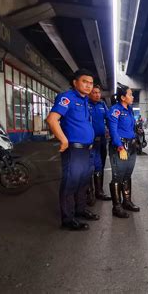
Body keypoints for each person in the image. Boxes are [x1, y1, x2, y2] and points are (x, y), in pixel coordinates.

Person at [46, 69, 100, 231]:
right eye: (84, 81)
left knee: (83, 182)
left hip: (87, 150)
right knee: (70, 183)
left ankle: (80, 210)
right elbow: (52, 119)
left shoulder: (85, 100)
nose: (88, 85)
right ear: (75, 82)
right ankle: (68, 219)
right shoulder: (67, 97)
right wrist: (63, 140)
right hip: (74, 150)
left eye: (90, 83)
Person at [107, 85, 140, 218]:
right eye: (130, 94)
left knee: (127, 175)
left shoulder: (130, 109)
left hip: (131, 146)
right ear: (122, 97)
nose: (132, 96)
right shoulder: (115, 110)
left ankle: (126, 202)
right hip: (120, 146)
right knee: (118, 176)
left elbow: (131, 127)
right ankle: (117, 207)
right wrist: (120, 147)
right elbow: (113, 130)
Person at [87, 85, 111, 204]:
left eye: (98, 92)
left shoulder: (102, 105)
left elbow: (109, 119)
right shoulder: (85, 104)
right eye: (94, 92)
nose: (97, 94)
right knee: (89, 167)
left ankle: (99, 191)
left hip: (101, 140)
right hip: (89, 142)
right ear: (89, 93)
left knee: (100, 166)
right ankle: (89, 194)